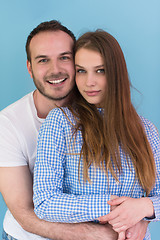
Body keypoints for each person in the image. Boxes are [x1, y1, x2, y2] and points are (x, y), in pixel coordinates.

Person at [33, 30, 160, 240]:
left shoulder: (147, 131)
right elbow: (45, 202)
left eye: (100, 71)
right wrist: (116, 208)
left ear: (116, 73)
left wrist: (143, 208)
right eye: (81, 71)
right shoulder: (61, 122)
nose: (89, 82)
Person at [0, 20, 119, 240]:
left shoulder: (101, 109)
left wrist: (138, 217)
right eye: (43, 60)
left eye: (64, 57)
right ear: (30, 68)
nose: (55, 70)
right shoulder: (7, 124)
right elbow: (24, 212)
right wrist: (96, 234)